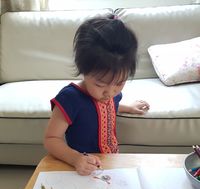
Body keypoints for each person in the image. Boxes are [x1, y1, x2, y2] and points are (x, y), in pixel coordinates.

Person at [44, 15, 150, 176]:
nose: (110, 92)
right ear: (84, 71)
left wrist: (129, 108)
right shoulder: (69, 99)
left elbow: (109, 106)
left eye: (120, 83)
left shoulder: (112, 94)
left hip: (111, 162)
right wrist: (76, 159)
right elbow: (51, 139)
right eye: (100, 84)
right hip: (82, 168)